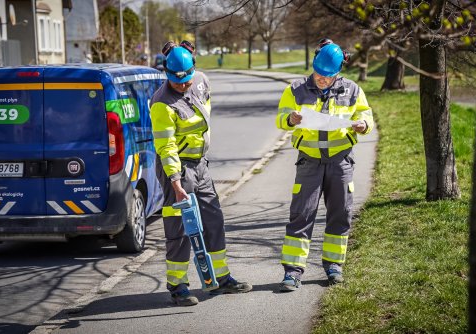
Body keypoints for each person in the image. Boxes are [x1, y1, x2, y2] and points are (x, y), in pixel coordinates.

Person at [150, 41, 252, 306]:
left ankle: (220, 278)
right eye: (177, 81)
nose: (183, 86)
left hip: (201, 165)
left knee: (213, 219)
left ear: (194, 69)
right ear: (167, 75)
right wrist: (174, 180)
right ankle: (178, 286)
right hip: (177, 169)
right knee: (180, 228)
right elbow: (166, 145)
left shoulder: (202, 81)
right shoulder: (161, 103)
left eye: (186, 80)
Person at [275, 39, 374, 291]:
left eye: (327, 76)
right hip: (309, 162)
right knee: (302, 214)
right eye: (318, 74)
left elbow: (365, 114)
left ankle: (333, 266)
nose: (321, 79)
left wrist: (363, 124)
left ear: (338, 71)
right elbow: (280, 119)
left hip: (341, 161)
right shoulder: (295, 89)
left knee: (340, 213)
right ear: (313, 66)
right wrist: (290, 118)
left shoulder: (353, 90)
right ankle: (293, 272)